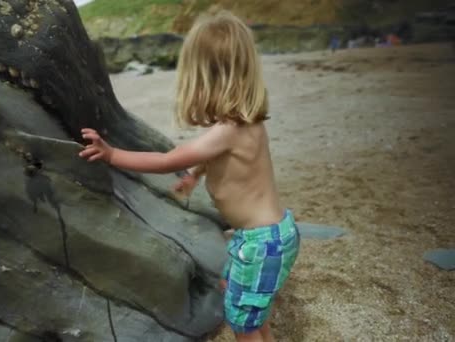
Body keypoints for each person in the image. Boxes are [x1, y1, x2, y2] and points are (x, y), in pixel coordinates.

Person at [78, 10, 300, 342]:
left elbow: (168, 160)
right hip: (271, 236)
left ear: (205, 79)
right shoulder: (249, 122)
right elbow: (233, 162)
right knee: (246, 305)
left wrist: (113, 154)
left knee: (243, 321)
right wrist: (197, 174)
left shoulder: (225, 131)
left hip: (259, 244)